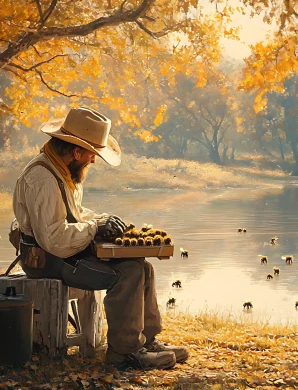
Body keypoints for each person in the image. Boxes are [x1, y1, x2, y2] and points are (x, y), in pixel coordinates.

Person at [11, 107, 188, 370]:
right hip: (48, 259)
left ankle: (146, 341)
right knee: (128, 273)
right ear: (76, 152)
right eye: (92, 154)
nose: (93, 161)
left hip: (63, 252)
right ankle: (124, 353)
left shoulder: (60, 170)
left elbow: (73, 213)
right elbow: (54, 238)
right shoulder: (43, 179)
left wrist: (104, 220)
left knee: (143, 266)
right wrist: (95, 228)